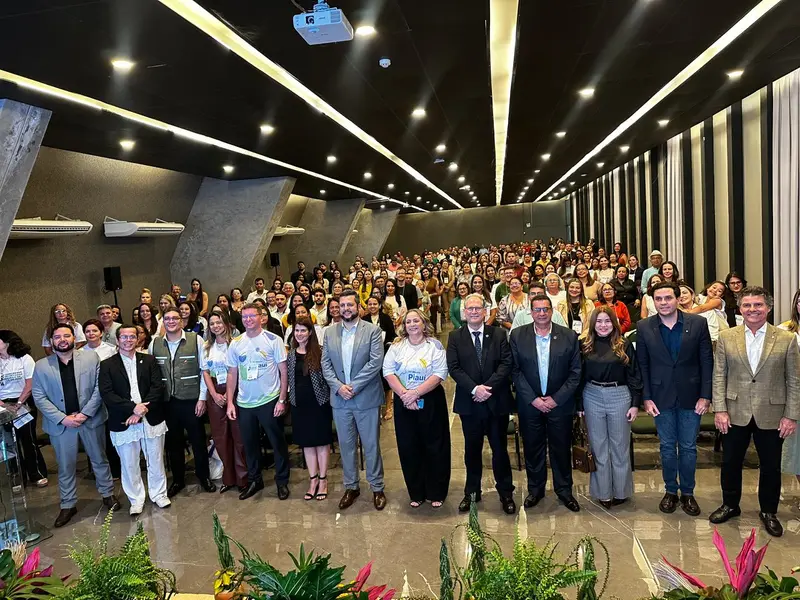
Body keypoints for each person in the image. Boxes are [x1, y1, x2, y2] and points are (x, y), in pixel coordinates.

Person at [710, 287, 800, 537]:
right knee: (730, 462)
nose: (752, 310)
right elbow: (719, 376)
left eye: (758, 305)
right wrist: (720, 409)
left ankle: (768, 511)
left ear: (768, 308)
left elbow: (794, 380)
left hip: (772, 412)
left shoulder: (785, 339)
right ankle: (730, 505)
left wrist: (791, 415)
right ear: (740, 308)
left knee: (770, 465)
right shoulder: (727, 337)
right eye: (747, 305)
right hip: (734, 410)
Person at [636, 281, 713, 516]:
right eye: (658, 299)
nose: (663, 303)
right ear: (653, 301)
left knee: (689, 447)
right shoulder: (644, 326)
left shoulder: (698, 324)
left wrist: (706, 396)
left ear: (678, 299)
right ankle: (670, 491)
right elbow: (643, 365)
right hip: (660, 397)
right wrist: (646, 398)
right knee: (667, 447)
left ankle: (688, 493)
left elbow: (707, 361)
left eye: (668, 298)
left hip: (692, 396)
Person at [32, 324, 120, 527]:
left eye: (66, 335)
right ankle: (68, 504)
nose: (62, 339)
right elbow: (39, 396)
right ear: (51, 341)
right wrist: (63, 418)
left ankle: (107, 494)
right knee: (66, 466)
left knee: (99, 458)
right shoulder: (42, 366)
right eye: (57, 337)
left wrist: (85, 413)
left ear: (74, 338)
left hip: (90, 419)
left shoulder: (90, 358)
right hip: (61, 425)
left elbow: (100, 388)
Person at [510, 294, 582, 512]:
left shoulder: (569, 336)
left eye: (545, 309)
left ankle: (564, 491)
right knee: (533, 448)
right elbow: (514, 371)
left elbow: (575, 373)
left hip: (559, 404)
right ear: (530, 312)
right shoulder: (517, 335)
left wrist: (555, 399)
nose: (541, 314)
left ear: (552, 311)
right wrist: (533, 399)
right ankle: (535, 490)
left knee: (561, 448)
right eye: (537, 310)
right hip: (529, 404)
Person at [446, 294, 515, 514]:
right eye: (470, 309)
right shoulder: (455, 336)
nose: (474, 312)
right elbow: (454, 367)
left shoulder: (499, 334)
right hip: (470, 402)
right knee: (472, 450)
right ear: (464, 312)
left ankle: (506, 492)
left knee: (500, 450)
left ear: (485, 312)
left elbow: (506, 364)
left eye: (478, 308)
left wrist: (488, 388)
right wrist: (475, 389)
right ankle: (472, 493)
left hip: (496, 402)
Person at [321, 290, 387, 511]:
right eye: (342, 306)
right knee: (346, 446)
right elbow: (326, 365)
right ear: (338, 308)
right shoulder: (329, 333)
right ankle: (352, 487)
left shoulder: (373, 331)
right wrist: (339, 387)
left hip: (366, 397)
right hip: (340, 400)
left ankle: (377, 487)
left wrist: (354, 386)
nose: (346, 309)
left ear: (358, 307)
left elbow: (375, 362)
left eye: (350, 305)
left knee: (371, 445)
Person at [99, 325, 169, 516]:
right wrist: (132, 408)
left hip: (150, 417)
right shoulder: (107, 365)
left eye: (132, 336)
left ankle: (159, 494)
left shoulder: (149, 360)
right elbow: (107, 394)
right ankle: (136, 499)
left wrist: (140, 411)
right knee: (129, 463)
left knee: (155, 459)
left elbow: (157, 388)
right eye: (124, 337)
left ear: (138, 339)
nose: (128, 340)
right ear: (117, 339)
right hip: (123, 420)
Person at [383, 309, 450, 508]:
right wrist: (405, 394)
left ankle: (436, 491)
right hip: (404, 401)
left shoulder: (434, 345)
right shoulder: (397, 346)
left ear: (424, 323)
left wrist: (416, 393)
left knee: (434, 446)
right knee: (409, 446)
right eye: (408, 322)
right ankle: (416, 492)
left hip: (430, 401)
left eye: (416, 321)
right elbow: (388, 371)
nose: (412, 324)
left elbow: (440, 373)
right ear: (403, 326)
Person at [225, 304, 291, 501]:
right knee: (249, 444)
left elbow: (284, 371)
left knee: (277, 442)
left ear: (261, 317)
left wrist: (282, 399)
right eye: (244, 317)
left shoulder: (273, 340)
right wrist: (230, 402)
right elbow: (231, 373)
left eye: (251, 316)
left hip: (270, 400)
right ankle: (255, 480)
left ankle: (282, 481)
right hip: (245, 403)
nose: (247, 320)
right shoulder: (236, 343)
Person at [578, 307, 642, 508]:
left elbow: (634, 375)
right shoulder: (584, 345)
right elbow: (578, 377)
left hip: (619, 395)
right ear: (593, 324)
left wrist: (635, 404)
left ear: (614, 323)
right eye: (599, 321)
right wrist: (579, 405)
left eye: (607, 321)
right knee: (598, 447)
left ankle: (622, 491)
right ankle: (603, 492)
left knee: (619, 446)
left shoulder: (624, 345)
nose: (603, 325)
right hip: (592, 395)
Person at [149, 307, 216, 497]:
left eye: (175, 318)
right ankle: (178, 480)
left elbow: (205, 371)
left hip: (191, 400)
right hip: (167, 403)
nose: (171, 321)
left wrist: (202, 398)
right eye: (167, 318)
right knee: (173, 443)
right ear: (163, 322)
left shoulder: (196, 340)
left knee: (198, 441)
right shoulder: (154, 344)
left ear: (182, 321)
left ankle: (204, 477)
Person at [201, 311, 248, 494]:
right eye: (212, 324)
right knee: (221, 438)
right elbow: (205, 372)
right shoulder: (206, 347)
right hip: (215, 393)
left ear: (226, 323)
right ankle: (228, 478)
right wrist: (213, 394)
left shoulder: (235, 344)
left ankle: (243, 478)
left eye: (218, 322)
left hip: (234, 392)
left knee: (238, 436)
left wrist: (230, 395)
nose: (215, 326)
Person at [288, 318, 333, 501]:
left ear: (310, 332)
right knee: (307, 444)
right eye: (296, 331)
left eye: (303, 330)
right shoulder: (291, 354)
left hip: (319, 403)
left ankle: (323, 480)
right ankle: (312, 480)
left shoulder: (320, 352)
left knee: (321, 442)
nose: (299, 334)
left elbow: (328, 378)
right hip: (299, 404)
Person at [0, 330, 48, 487]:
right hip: (2, 405)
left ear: (7, 342)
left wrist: (18, 404)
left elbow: (30, 384)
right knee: (9, 443)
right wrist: (3, 405)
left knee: (28, 439)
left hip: (23, 402)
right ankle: (17, 475)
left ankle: (36, 473)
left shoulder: (24, 359)